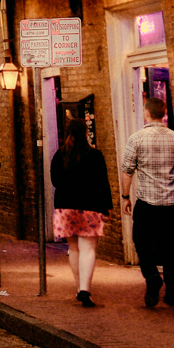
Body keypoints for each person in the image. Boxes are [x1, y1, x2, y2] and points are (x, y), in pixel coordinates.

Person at [120, 95, 174, 307]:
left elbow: (127, 171)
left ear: (147, 113)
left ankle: (152, 278)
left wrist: (125, 197)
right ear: (164, 113)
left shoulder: (136, 139)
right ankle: (173, 292)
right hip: (172, 204)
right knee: (173, 247)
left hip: (147, 203)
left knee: (141, 243)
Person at [49, 117, 112, 307]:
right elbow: (103, 183)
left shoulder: (60, 156)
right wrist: (106, 207)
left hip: (65, 207)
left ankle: (78, 288)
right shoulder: (95, 155)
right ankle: (85, 289)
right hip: (90, 207)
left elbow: (55, 181)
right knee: (88, 249)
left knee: (74, 249)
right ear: (85, 133)